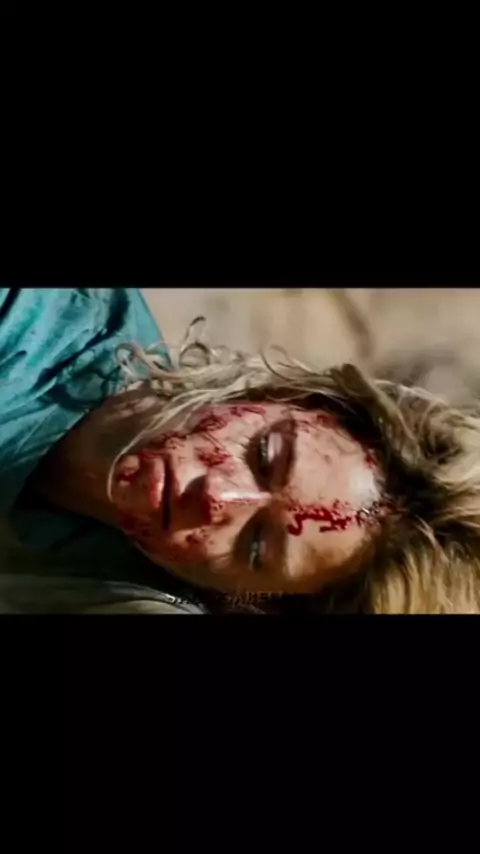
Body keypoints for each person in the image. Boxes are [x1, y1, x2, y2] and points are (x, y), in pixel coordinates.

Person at [1, 286, 480, 614]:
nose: (217, 498)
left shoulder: (99, 583)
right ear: (283, 398)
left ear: (251, 597)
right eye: (265, 456)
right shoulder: (30, 312)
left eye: (255, 546)